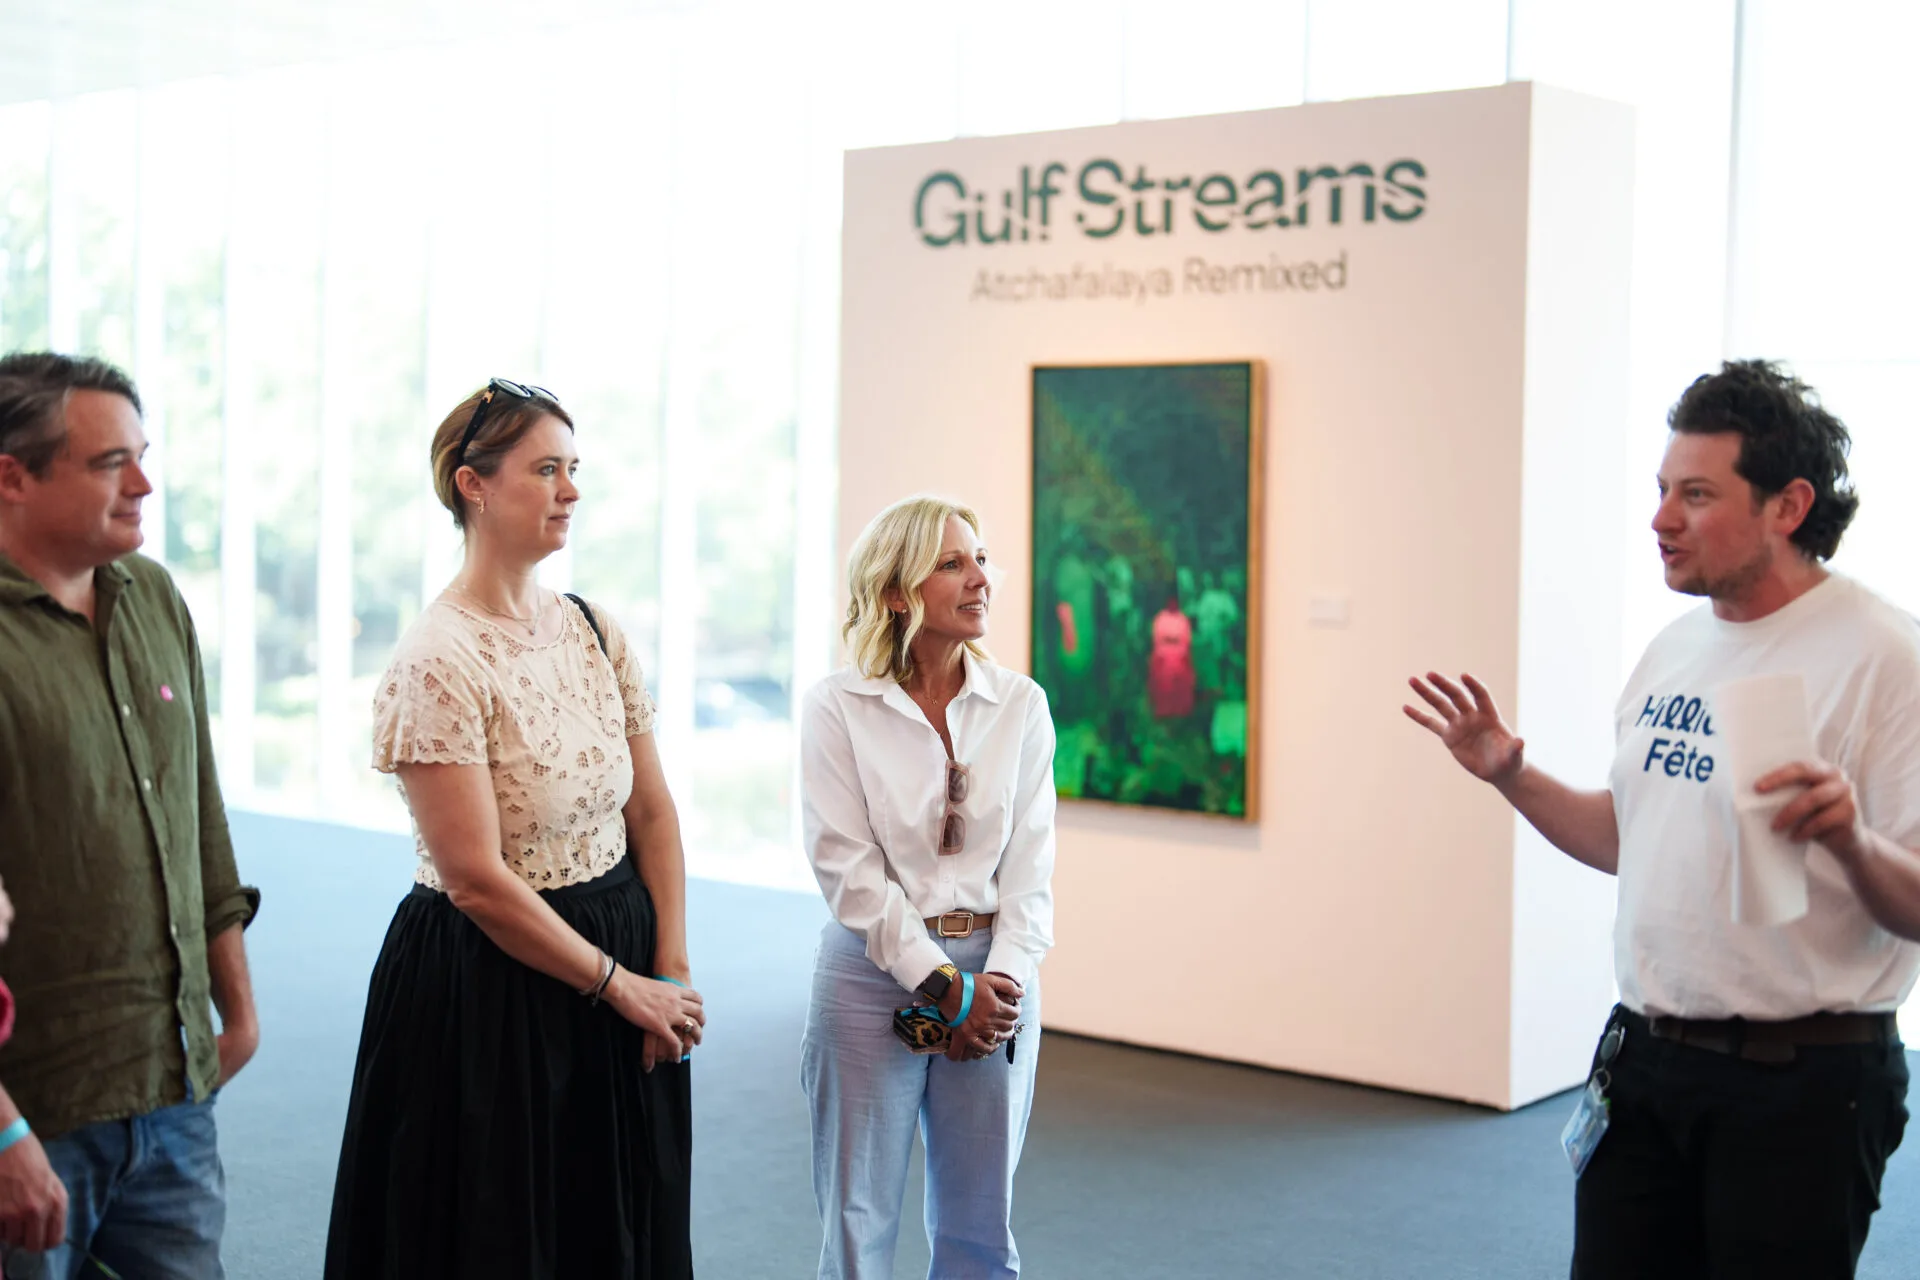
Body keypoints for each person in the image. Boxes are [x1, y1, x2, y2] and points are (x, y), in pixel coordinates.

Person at [1406, 360, 1919, 1278]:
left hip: (1801, 1082)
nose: (1660, 520)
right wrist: (1511, 777)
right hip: (1644, 1060)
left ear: (1787, 507)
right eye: (1660, 491)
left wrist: (1849, 837)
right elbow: (1627, 839)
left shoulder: (1884, 658)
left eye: (1695, 494)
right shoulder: (1677, 648)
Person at [323, 379, 706, 1279]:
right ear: (474, 485)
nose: (570, 489)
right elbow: (476, 881)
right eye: (546, 469)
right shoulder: (436, 658)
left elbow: (651, 811)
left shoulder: (592, 628)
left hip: (622, 954)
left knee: (616, 1223)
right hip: (494, 983)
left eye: (574, 469)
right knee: (504, 1233)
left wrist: (671, 971)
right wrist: (621, 986)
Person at [0, 353, 261, 1280]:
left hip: (175, 1091)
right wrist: (3, 1136)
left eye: (142, 456)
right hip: (34, 1113)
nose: (144, 484)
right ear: (14, 475)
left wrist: (238, 1010)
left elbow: (200, 816)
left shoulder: (152, 597)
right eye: (112, 462)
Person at [800, 495, 1057, 1280]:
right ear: (894, 592)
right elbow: (847, 868)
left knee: (983, 1219)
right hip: (868, 974)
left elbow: (1032, 865)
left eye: (981, 559)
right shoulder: (837, 707)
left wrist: (998, 983)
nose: (982, 578)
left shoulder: (1021, 703)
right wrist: (944, 984)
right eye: (953, 563)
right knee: (856, 1221)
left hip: (999, 980)